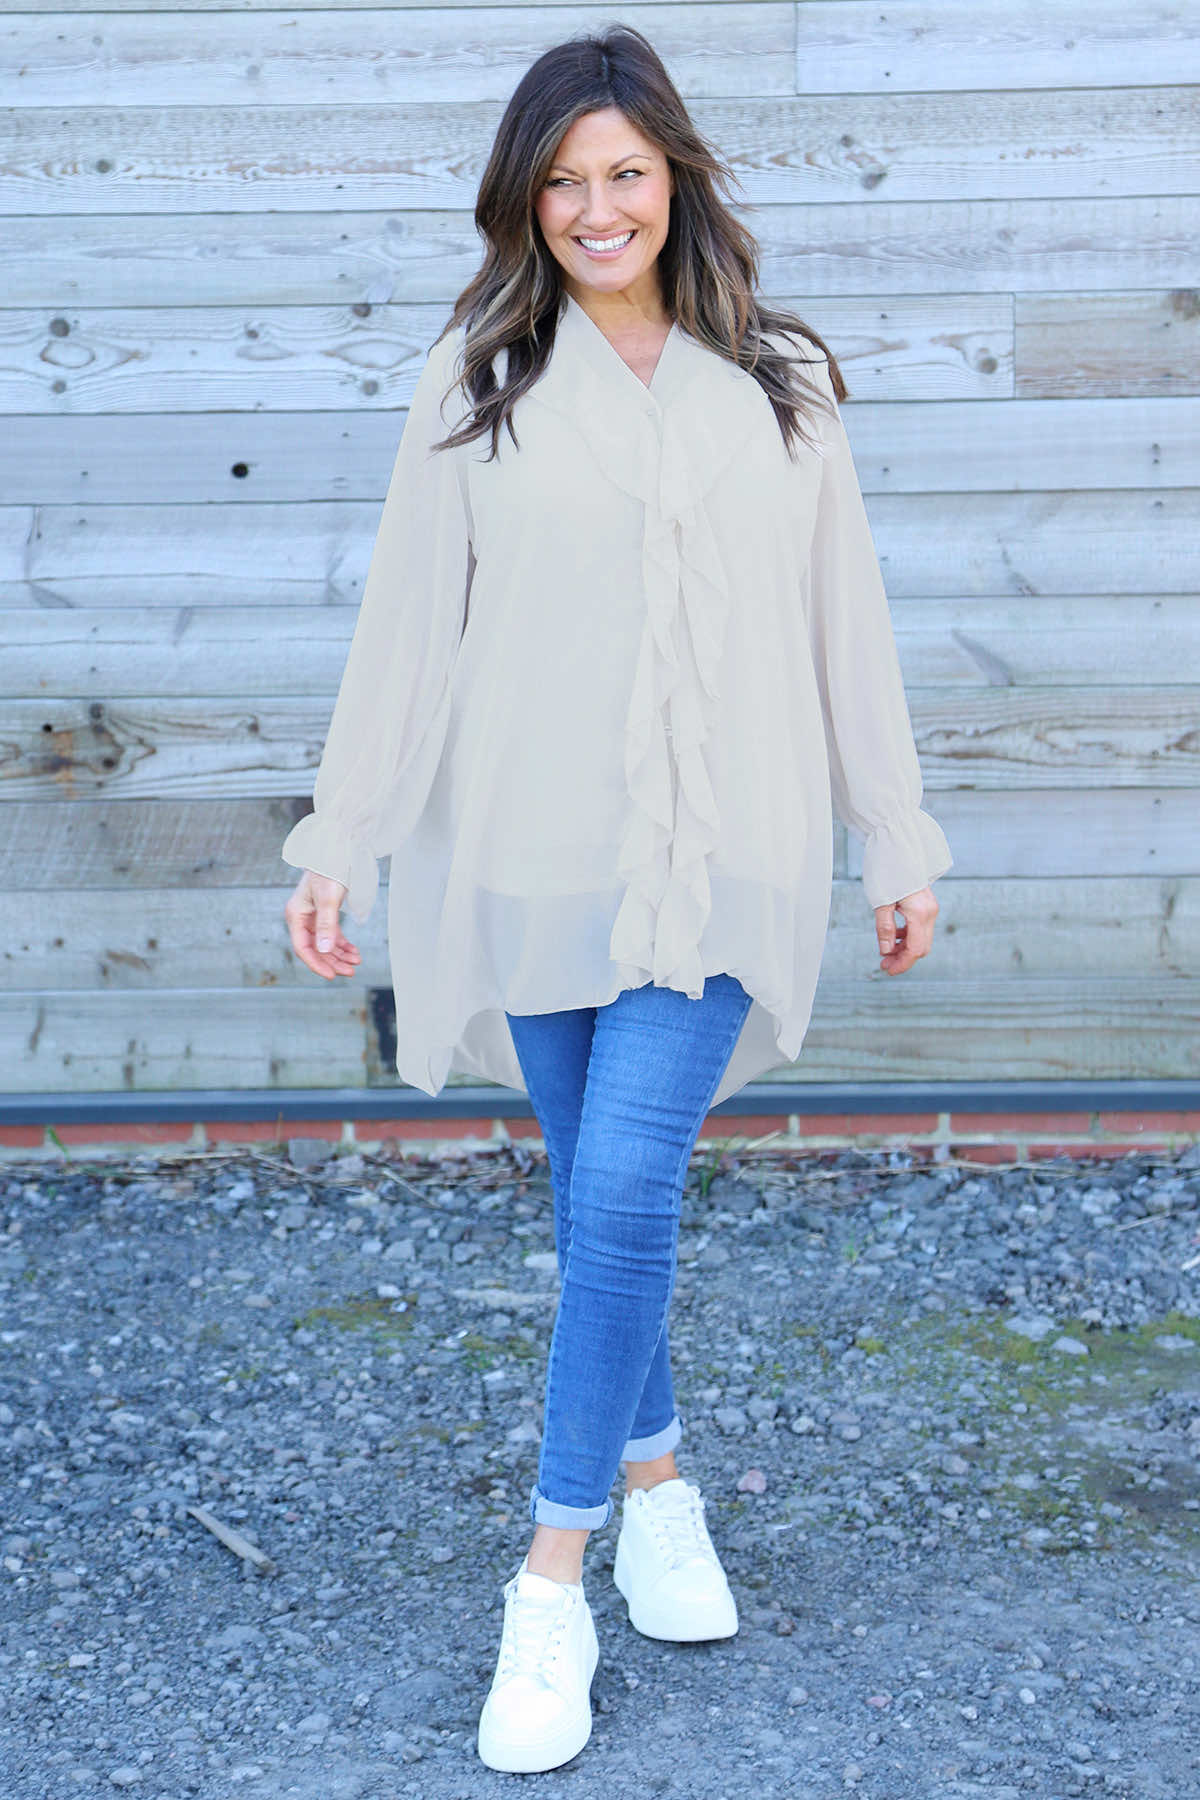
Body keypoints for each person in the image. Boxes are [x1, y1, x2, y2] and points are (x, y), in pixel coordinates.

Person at [281, 24, 952, 1777]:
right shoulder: (480, 381)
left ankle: (550, 1579)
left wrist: (895, 829)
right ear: (527, 197)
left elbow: (846, 621)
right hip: (535, 852)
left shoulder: (778, 385)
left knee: (632, 1180)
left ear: (676, 180)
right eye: (565, 180)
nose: (598, 208)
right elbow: (408, 625)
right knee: (600, 1198)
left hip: (724, 855)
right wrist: (343, 834)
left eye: (627, 174)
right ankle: (657, 1486)